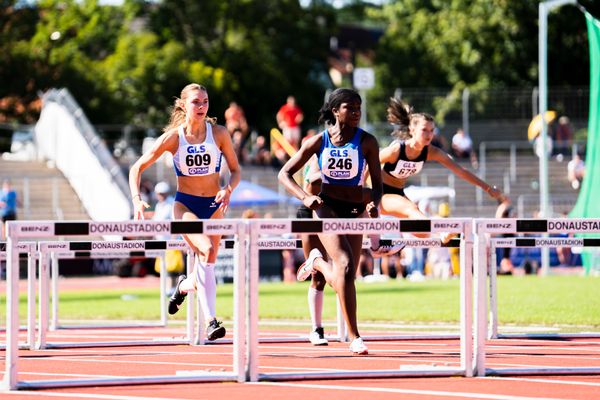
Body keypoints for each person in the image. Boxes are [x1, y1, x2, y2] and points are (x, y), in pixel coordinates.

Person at [129, 83, 241, 341]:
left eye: (205, 101)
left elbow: (236, 170)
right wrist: (137, 199)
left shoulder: (220, 133)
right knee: (208, 251)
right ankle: (212, 322)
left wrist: (228, 189)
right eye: (195, 102)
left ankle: (182, 286)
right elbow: (137, 167)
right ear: (183, 105)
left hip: (214, 206)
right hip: (186, 206)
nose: (201, 106)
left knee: (207, 264)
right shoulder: (174, 138)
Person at [278, 88, 382, 355]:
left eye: (359, 107)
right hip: (327, 209)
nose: (357, 112)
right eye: (350, 107)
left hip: (355, 209)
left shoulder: (368, 142)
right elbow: (285, 174)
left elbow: (378, 185)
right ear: (336, 111)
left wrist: (373, 202)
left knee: (348, 275)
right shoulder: (318, 141)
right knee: (345, 264)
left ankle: (317, 263)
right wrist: (305, 197)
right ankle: (355, 337)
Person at [376, 98, 506, 246]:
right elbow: (368, 163)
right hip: (380, 193)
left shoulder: (432, 152)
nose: (429, 135)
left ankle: (394, 238)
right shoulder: (396, 150)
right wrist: (364, 193)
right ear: (412, 130)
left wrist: (487, 188)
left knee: (421, 232)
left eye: (432, 131)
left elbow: (460, 170)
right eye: (424, 130)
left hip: (398, 192)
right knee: (411, 208)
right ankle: (441, 231)